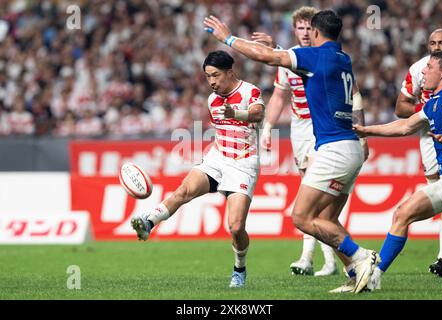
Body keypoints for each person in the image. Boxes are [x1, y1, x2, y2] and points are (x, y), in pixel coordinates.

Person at [204, 10, 379, 293]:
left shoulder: (315, 55)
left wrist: (229, 38)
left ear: (318, 33)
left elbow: (267, 58)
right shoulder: (343, 59)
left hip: (333, 149)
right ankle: (357, 274)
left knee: (301, 217)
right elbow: (282, 58)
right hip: (351, 147)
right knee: (327, 219)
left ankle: (362, 257)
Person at [130, 50, 265, 288]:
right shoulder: (213, 100)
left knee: (235, 226)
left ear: (229, 72)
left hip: (243, 163)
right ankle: (149, 223)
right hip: (218, 156)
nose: (211, 81)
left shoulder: (248, 90)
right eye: (207, 77)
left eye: (215, 75)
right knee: (184, 190)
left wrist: (237, 113)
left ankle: (239, 270)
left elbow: (258, 113)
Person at [353, 50, 442, 290]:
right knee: (401, 215)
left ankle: (373, 277)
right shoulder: (434, 102)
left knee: (403, 214)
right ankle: (374, 277)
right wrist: (368, 131)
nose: (424, 72)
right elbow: (405, 126)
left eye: (429, 67)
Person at [252, 6, 338, 277]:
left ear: (315, 30)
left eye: (307, 28)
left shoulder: (320, 56)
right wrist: (267, 128)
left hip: (322, 125)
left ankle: (314, 258)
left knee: (314, 189)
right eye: (299, 28)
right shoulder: (289, 57)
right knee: (307, 188)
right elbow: (279, 95)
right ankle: (320, 259)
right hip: (299, 126)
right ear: (295, 30)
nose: (303, 33)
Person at [395, 29, 442, 278]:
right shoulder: (420, 69)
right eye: (433, 43)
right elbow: (400, 107)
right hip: (431, 137)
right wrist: (428, 110)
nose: (437, 47)